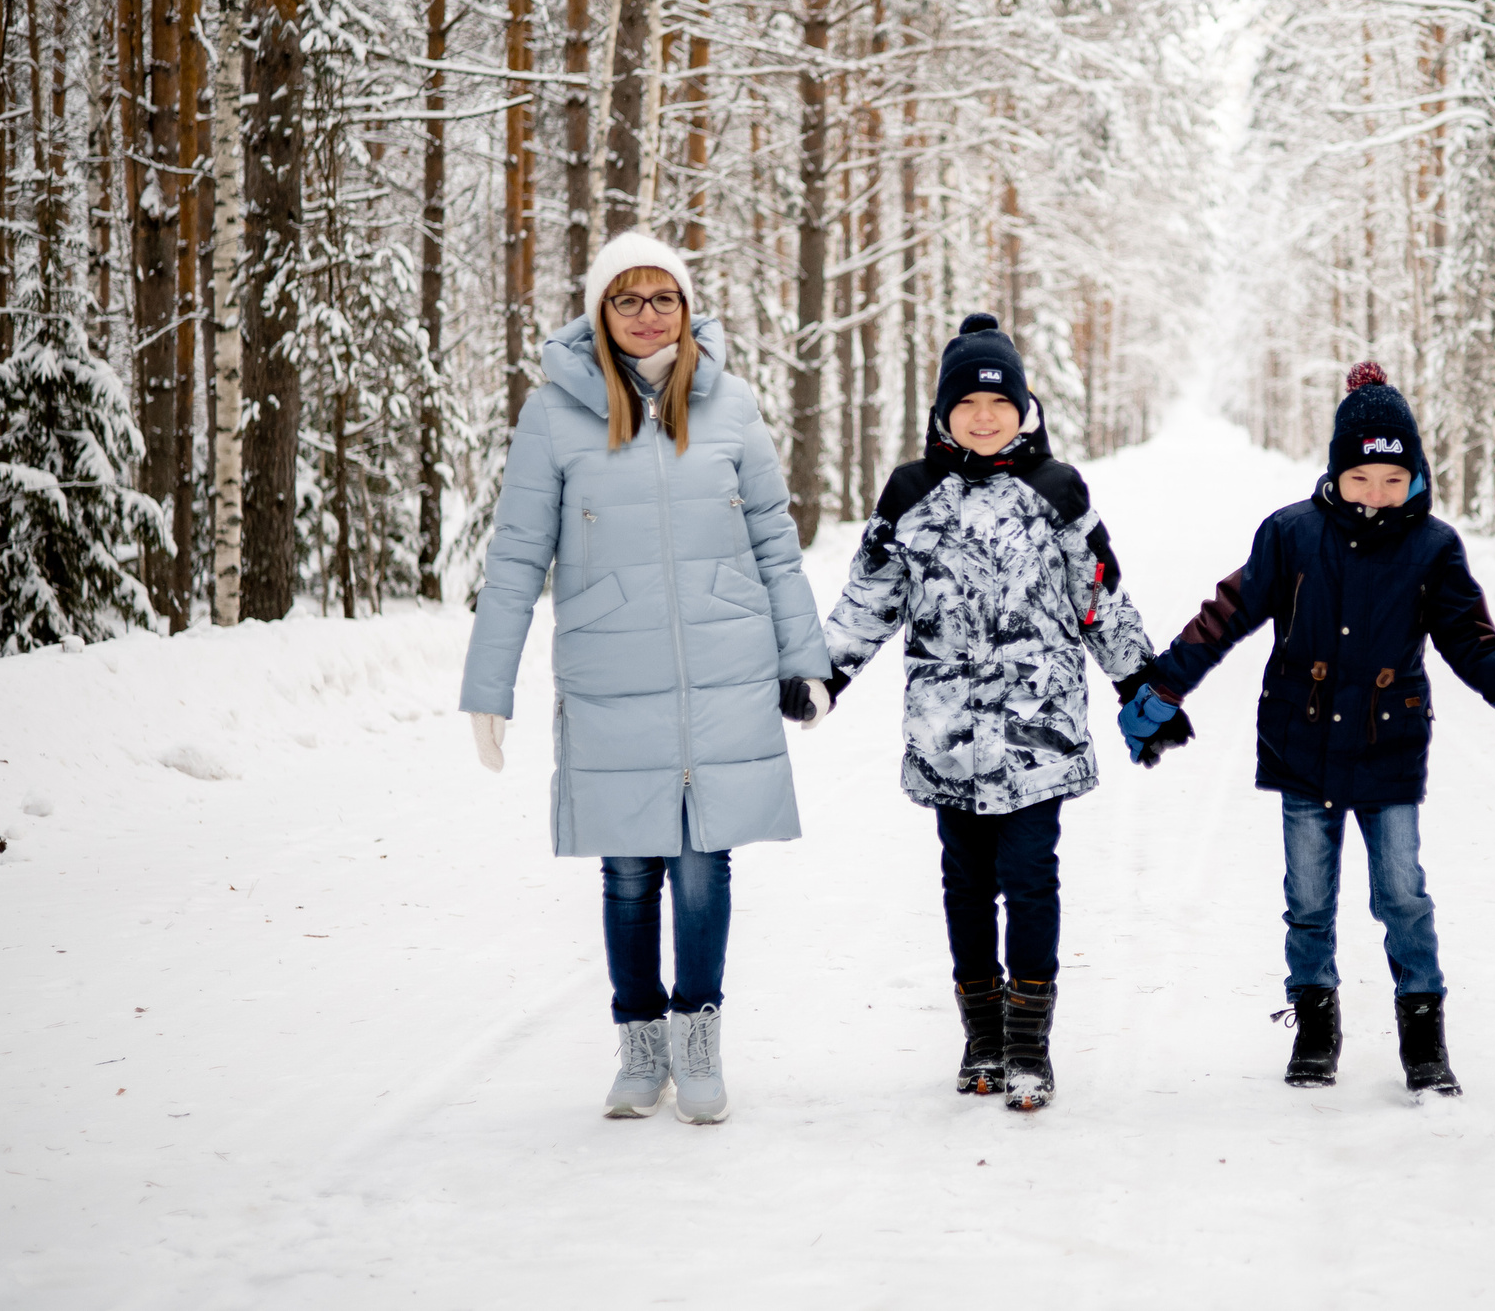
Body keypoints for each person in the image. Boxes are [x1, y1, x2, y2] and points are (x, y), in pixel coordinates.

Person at [458, 231, 831, 1126]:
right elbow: (515, 555)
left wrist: (803, 658)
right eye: (626, 299)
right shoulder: (554, 413)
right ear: (599, 311)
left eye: (662, 297)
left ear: (687, 307)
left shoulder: (731, 404)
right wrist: (488, 686)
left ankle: (698, 1040)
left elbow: (776, 543)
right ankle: (639, 1045)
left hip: (723, 664)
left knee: (704, 864)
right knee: (629, 868)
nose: (646, 315)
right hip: (610, 666)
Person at [1119, 362, 1495, 1097]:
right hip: (1304, 739)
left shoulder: (1434, 548)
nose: (1376, 494)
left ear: (1414, 474)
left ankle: (1423, 1031)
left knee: (1403, 893)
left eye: (1392, 479)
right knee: (1309, 897)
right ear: (1335, 473)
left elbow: (1468, 637)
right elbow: (1226, 614)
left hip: (1389, 744)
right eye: (1360, 478)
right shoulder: (1291, 534)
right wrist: (1164, 683)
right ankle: (1317, 1023)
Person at [807, 313, 1159, 1111]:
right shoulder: (911, 493)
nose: (984, 414)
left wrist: (1140, 682)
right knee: (965, 884)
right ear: (943, 412)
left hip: (1038, 735)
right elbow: (871, 599)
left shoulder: (1058, 490)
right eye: (967, 401)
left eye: (999, 401)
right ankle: (983, 1037)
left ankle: (1030, 1045)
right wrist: (823, 674)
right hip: (949, 737)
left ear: (1024, 407)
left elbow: (1097, 594)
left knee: (1030, 879)